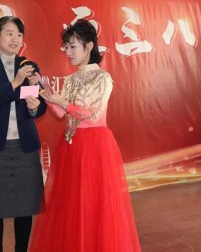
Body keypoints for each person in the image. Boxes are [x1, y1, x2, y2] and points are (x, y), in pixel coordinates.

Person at [30, 19, 141, 252]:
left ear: (89, 46)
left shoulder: (103, 78)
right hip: (71, 147)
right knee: (71, 205)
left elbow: (92, 115)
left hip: (95, 147)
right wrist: (47, 96)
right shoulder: (71, 79)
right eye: (67, 47)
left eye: (73, 47)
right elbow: (62, 114)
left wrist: (62, 102)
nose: (68, 52)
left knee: (94, 204)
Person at [0, 16, 47, 252]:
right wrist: (15, 82)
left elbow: (40, 106)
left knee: (25, 207)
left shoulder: (30, 66)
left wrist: (34, 107)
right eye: (10, 33)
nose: (15, 39)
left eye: (19, 35)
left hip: (24, 146)